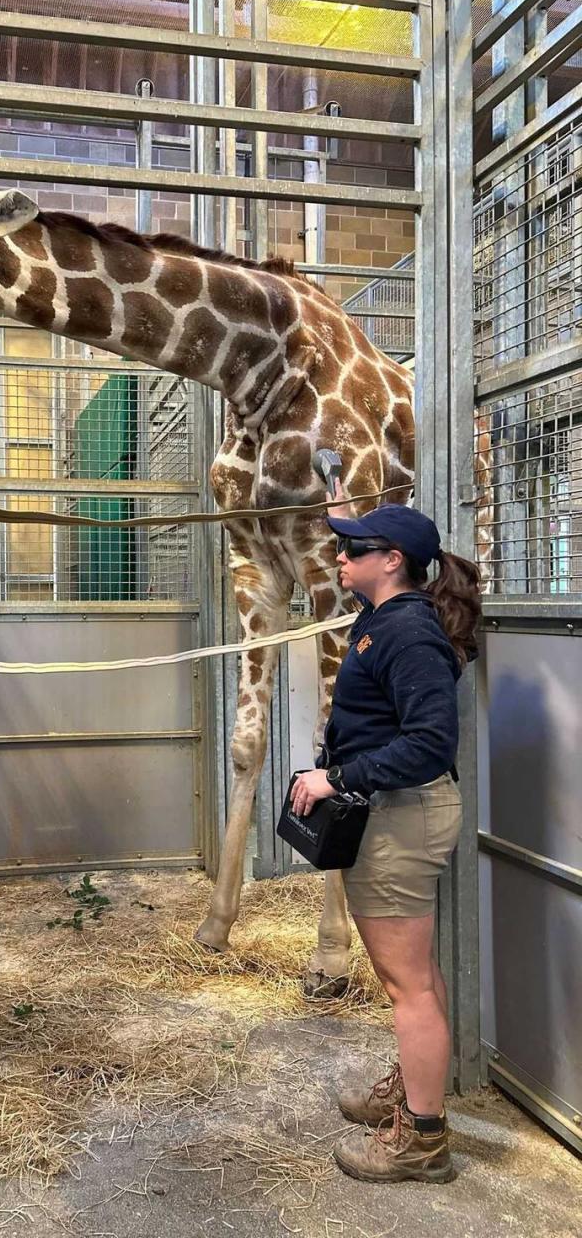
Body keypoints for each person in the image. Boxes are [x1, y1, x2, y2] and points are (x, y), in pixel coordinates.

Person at [291, 494, 481, 1185]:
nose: (339, 559)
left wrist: (335, 778)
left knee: (409, 989)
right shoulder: (387, 616)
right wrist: (354, 516)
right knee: (417, 978)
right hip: (394, 815)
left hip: (403, 816)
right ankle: (411, 1093)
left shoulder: (408, 633)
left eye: (353, 551)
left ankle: (423, 1142)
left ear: (392, 562)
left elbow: (430, 742)